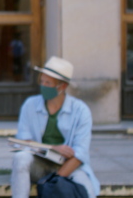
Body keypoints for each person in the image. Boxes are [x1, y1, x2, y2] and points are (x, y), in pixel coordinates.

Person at [11, 56, 100, 198]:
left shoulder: (81, 111)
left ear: (62, 86)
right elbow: (23, 144)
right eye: (42, 81)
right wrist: (52, 148)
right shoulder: (30, 105)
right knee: (21, 158)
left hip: (69, 166)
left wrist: (54, 182)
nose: (43, 86)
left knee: (87, 191)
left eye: (48, 83)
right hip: (38, 164)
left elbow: (80, 153)